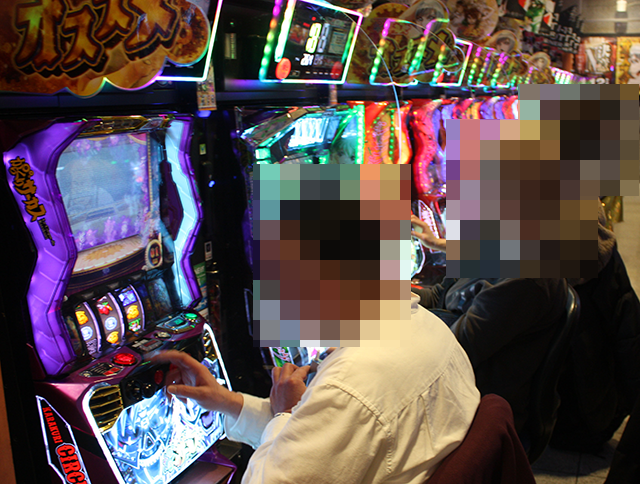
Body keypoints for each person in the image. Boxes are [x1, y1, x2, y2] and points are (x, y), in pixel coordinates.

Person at [153, 295, 481, 483]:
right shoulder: (427, 324)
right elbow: (323, 439)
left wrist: (285, 412)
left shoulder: (350, 382)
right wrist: (229, 403)